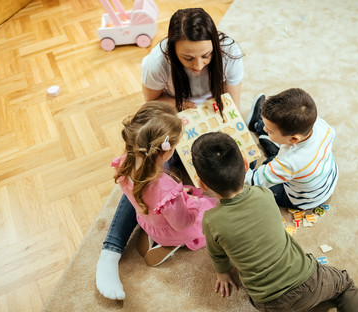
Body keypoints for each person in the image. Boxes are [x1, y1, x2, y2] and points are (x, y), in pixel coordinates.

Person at [96, 7, 243, 300]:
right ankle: (110, 251)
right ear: (172, 49)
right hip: (175, 119)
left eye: (206, 56)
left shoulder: (230, 53)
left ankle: (159, 228)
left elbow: (230, 106)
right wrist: (182, 104)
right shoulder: (156, 62)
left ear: (215, 44)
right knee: (143, 171)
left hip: (210, 121)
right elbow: (150, 107)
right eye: (188, 58)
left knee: (223, 172)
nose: (199, 66)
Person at [191, 132, 358, 312]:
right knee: (342, 283)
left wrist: (222, 273)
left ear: (202, 184)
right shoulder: (263, 194)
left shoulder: (211, 221)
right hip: (308, 281)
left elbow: (218, 255)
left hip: (267, 302)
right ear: (246, 165)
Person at [97, 101, 217, 300]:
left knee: (184, 198)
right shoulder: (166, 188)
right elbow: (183, 222)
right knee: (210, 209)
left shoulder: (124, 165)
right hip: (172, 230)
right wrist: (192, 203)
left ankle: (154, 236)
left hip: (146, 222)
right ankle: (170, 243)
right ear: (166, 151)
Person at [245, 88, 338, 210]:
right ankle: (258, 126)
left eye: (269, 131)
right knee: (278, 142)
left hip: (302, 199)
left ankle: (264, 134)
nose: (265, 130)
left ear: (294, 139)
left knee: (257, 189)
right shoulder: (321, 125)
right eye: (265, 127)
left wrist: (244, 168)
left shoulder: (288, 162)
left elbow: (255, 181)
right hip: (326, 180)